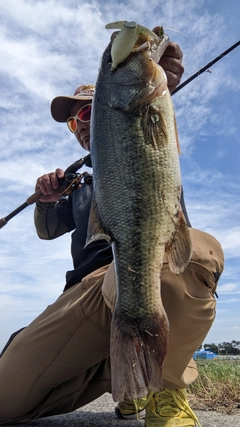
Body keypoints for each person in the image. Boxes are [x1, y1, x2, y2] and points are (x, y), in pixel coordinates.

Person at [0, 36, 224, 427]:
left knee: (199, 252)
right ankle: (122, 378)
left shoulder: (148, 135)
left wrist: (159, 80)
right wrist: (46, 201)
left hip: (144, 271)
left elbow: (155, 125)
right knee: (4, 398)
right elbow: (47, 231)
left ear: (106, 110)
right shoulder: (79, 185)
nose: (79, 127)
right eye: (73, 123)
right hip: (85, 293)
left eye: (86, 115)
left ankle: (165, 388)